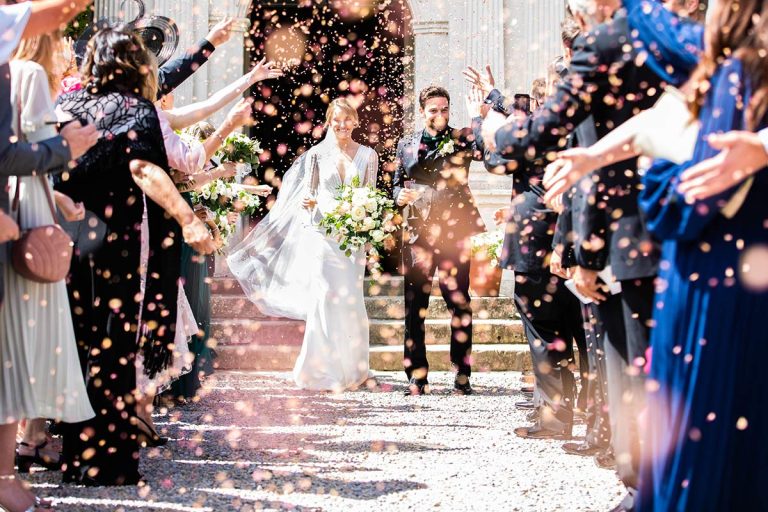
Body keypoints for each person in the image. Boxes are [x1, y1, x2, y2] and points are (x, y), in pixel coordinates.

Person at [55, 27, 215, 486]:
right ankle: (108, 462)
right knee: (114, 349)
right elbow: (143, 168)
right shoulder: (134, 108)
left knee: (80, 346)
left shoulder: (69, 105)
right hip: (115, 245)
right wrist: (187, 218)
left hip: (69, 242)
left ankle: (76, 456)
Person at [637, 1, 768, 508]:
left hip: (712, 283)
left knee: (703, 439)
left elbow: (689, 200)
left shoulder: (739, 75)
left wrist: (654, 177)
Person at [229, 98, 378, 392]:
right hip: (322, 236)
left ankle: (354, 368)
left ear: (356, 121)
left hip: (352, 239)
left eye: (347, 119)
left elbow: (370, 195)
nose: (342, 125)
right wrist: (311, 206)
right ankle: (321, 370)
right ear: (329, 122)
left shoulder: (368, 155)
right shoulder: (315, 156)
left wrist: (365, 230)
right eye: (336, 120)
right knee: (324, 299)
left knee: (350, 300)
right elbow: (308, 196)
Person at [392, 86, 485, 396]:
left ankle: (462, 373)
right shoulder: (405, 144)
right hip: (418, 234)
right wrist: (398, 195)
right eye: (433, 110)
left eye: (444, 109)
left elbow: (486, 150)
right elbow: (396, 184)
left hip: (455, 234)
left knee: (458, 302)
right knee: (414, 305)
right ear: (422, 112)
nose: (440, 114)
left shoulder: (462, 139)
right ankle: (416, 376)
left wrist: (477, 117)